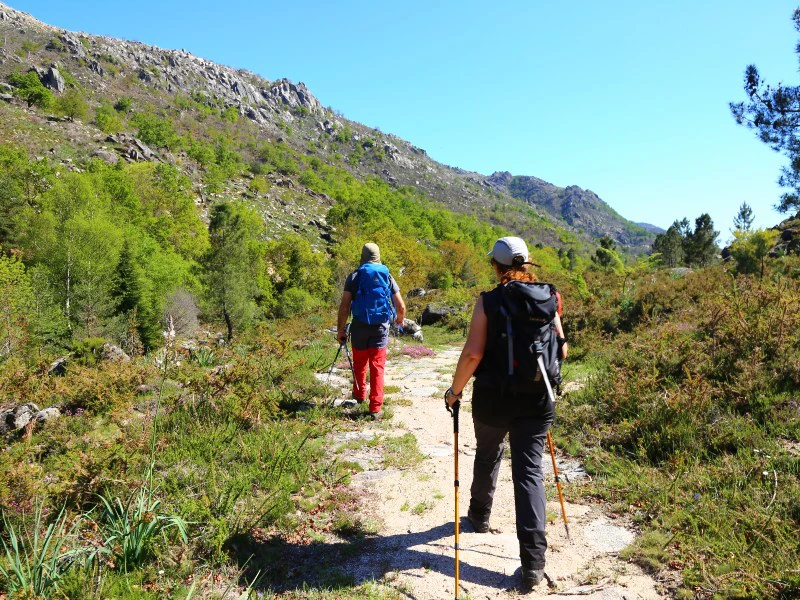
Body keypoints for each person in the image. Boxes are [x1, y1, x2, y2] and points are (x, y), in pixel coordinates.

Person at [445, 236, 568, 591]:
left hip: (493, 399)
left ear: (496, 267)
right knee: (529, 474)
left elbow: (472, 355)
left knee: (487, 454)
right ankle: (533, 565)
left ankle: (479, 517)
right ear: (528, 264)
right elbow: (562, 347)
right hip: (536, 401)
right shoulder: (550, 297)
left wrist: (455, 392)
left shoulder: (488, 301)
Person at [337, 242, 406, 420]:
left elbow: (344, 306)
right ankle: (375, 408)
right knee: (377, 366)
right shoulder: (387, 276)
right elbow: (401, 306)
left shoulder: (354, 276)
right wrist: (399, 320)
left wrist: (340, 330)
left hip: (359, 326)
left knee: (360, 363)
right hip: (380, 327)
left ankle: (359, 396)